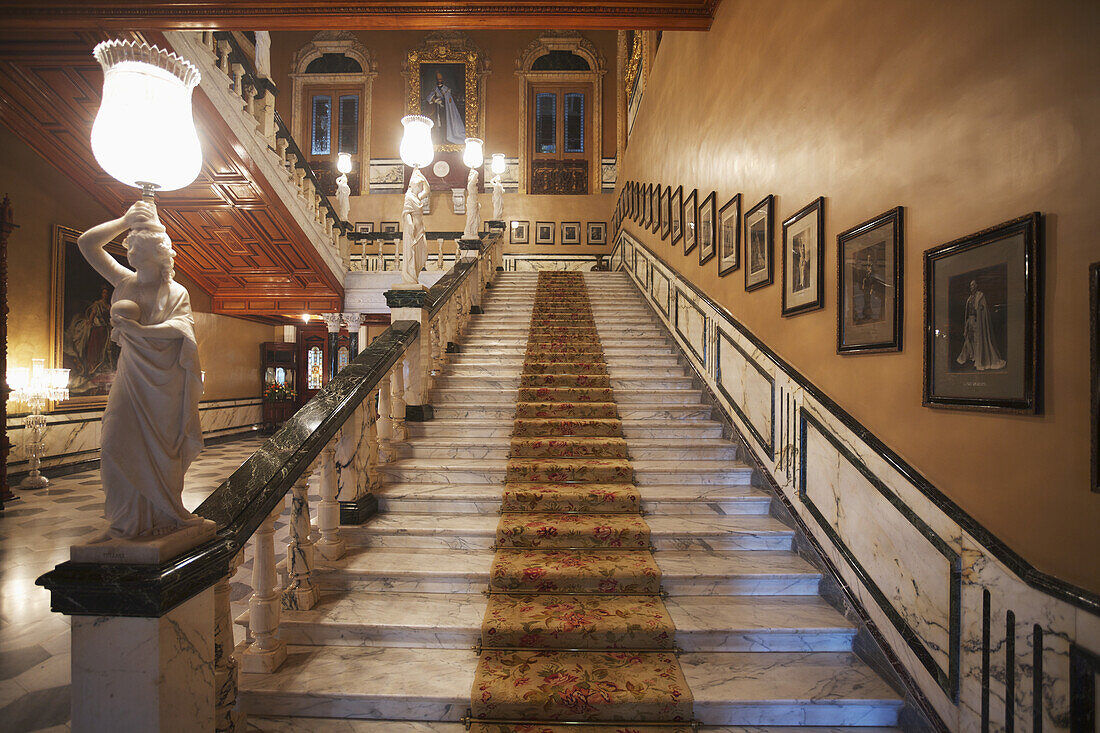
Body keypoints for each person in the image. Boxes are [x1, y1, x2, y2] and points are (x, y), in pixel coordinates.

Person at [77, 200, 205, 539]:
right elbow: (87, 244)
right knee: (113, 441)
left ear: (154, 251)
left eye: (135, 243)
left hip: (165, 384)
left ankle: (166, 512)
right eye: (128, 243)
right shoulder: (124, 281)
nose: (129, 247)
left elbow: (183, 330)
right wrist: (123, 220)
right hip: (132, 377)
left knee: (165, 451)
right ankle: (126, 520)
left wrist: (140, 332)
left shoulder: (176, 292)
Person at [956, 279, 1007, 371]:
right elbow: (967, 313)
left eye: (973, 285)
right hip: (970, 321)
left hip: (977, 321)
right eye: (971, 285)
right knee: (969, 339)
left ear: (976, 286)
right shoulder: (969, 298)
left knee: (978, 340)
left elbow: (983, 309)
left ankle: (979, 360)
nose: (972, 287)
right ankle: (973, 357)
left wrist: (980, 309)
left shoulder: (980, 296)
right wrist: (966, 325)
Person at [401, 168, 430, 284]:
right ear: (414, 186)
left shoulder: (417, 197)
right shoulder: (409, 197)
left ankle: (415, 274)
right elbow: (406, 213)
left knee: (423, 254)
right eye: (419, 187)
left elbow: (428, 190)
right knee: (413, 253)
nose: (420, 189)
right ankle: (411, 276)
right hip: (413, 228)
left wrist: (421, 176)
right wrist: (410, 226)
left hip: (421, 229)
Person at [424, 70, 466, 145]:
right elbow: (429, 97)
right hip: (438, 110)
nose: (439, 81)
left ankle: (447, 138)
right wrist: (435, 100)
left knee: (446, 123)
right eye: (438, 80)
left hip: (446, 110)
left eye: (440, 79)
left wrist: (445, 101)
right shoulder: (435, 89)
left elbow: (449, 99)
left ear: (442, 80)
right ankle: (440, 139)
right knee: (439, 124)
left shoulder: (446, 89)